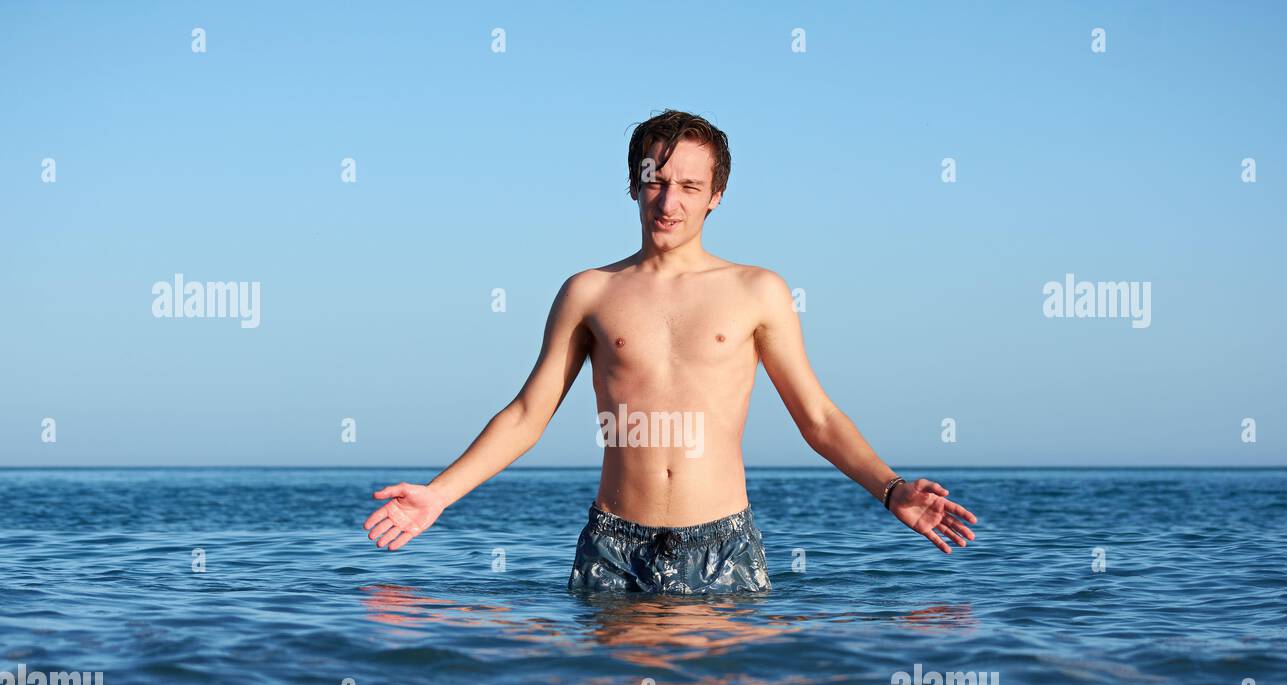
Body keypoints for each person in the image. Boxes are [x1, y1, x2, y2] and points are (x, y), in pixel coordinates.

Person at [363, 110, 977, 593]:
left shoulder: (755, 291)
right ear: (635, 184)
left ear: (716, 196)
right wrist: (438, 495)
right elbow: (528, 415)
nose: (669, 200)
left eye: (689, 185)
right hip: (613, 544)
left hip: (721, 541)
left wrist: (891, 488)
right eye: (655, 180)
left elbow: (817, 417)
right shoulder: (590, 292)